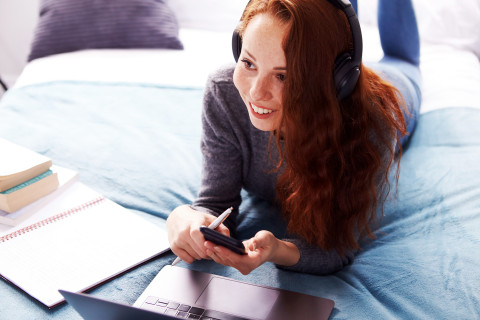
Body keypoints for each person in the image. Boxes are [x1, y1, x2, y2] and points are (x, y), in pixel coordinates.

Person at [166, 0, 421, 275]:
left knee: (402, 59)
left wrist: (279, 250)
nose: (256, 93)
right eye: (249, 63)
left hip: (394, 84)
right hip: (324, 61)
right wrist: (183, 218)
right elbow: (215, 204)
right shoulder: (224, 92)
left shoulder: (374, 122)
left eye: (283, 76)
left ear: (336, 80)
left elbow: (337, 247)